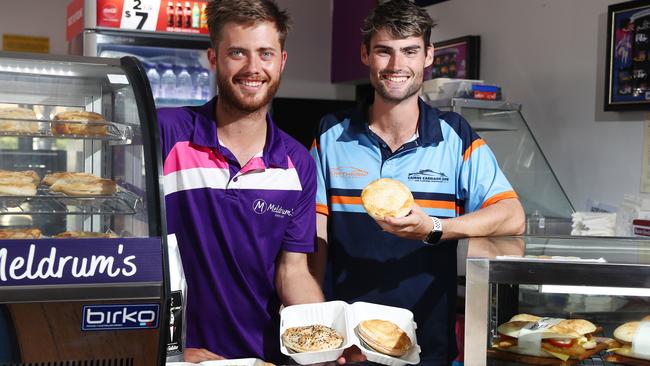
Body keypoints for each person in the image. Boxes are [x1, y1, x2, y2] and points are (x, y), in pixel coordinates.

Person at [309, 1, 525, 365]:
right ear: (365, 54)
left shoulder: (455, 135)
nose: (396, 66)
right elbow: (316, 237)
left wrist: (434, 227)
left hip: (426, 340)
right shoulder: (331, 134)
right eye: (384, 51)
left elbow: (511, 215)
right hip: (349, 341)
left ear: (428, 56)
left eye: (409, 51)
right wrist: (319, 325)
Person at [157, 0, 323, 363]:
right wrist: (168, 349)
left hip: (259, 357)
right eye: (237, 53)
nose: (253, 68)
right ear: (213, 58)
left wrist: (325, 336)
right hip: (177, 357)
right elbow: (127, 246)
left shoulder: (297, 163)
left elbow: (292, 270)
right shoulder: (166, 133)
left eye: (265, 53)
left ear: (281, 61)